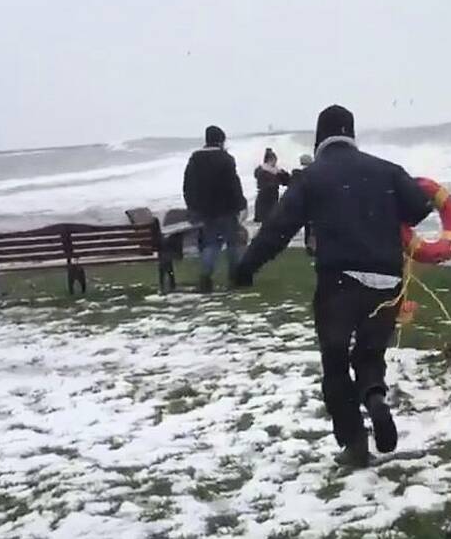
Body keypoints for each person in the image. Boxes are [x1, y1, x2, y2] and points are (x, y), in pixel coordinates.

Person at [233, 105, 432, 468]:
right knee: (370, 354)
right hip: (387, 281)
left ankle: (356, 445)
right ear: (351, 134)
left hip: (339, 283)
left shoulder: (312, 177)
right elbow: (419, 206)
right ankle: (374, 396)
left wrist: (246, 267)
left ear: (319, 137)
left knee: (336, 364)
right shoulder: (386, 169)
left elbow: (279, 228)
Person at [183, 125, 247, 293]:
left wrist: (192, 207)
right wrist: (241, 204)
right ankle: (235, 277)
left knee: (210, 244)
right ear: (220, 140)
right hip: (226, 209)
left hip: (204, 211)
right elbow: (234, 185)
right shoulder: (226, 159)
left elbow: (188, 186)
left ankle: (205, 277)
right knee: (232, 244)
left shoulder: (195, 159)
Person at [253, 148, 291, 223]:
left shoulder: (261, 170)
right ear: (270, 160)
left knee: (266, 219)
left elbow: (286, 181)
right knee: (270, 218)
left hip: (264, 197)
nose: (275, 163)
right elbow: (286, 181)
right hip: (269, 197)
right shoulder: (271, 171)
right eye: (275, 161)